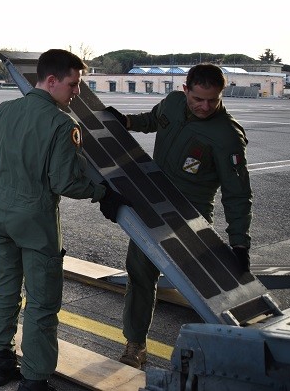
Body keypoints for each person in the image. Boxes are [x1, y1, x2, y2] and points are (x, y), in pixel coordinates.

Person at [0, 49, 126, 391]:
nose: (76, 92)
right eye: (73, 84)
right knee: (43, 302)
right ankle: (34, 378)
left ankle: (1, 362)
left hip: (1, 212)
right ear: (52, 81)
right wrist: (102, 192)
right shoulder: (63, 124)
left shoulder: (5, 110)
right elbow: (64, 182)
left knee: (5, 288)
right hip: (36, 221)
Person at [106, 63, 251, 369]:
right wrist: (127, 121)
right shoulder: (173, 103)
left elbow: (236, 194)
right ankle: (135, 344)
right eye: (198, 98)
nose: (205, 106)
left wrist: (239, 244)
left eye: (213, 100)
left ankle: (221, 356)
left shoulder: (227, 136)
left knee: (203, 289)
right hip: (152, 205)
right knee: (140, 275)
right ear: (186, 90)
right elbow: (153, 120)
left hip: (192, 220)